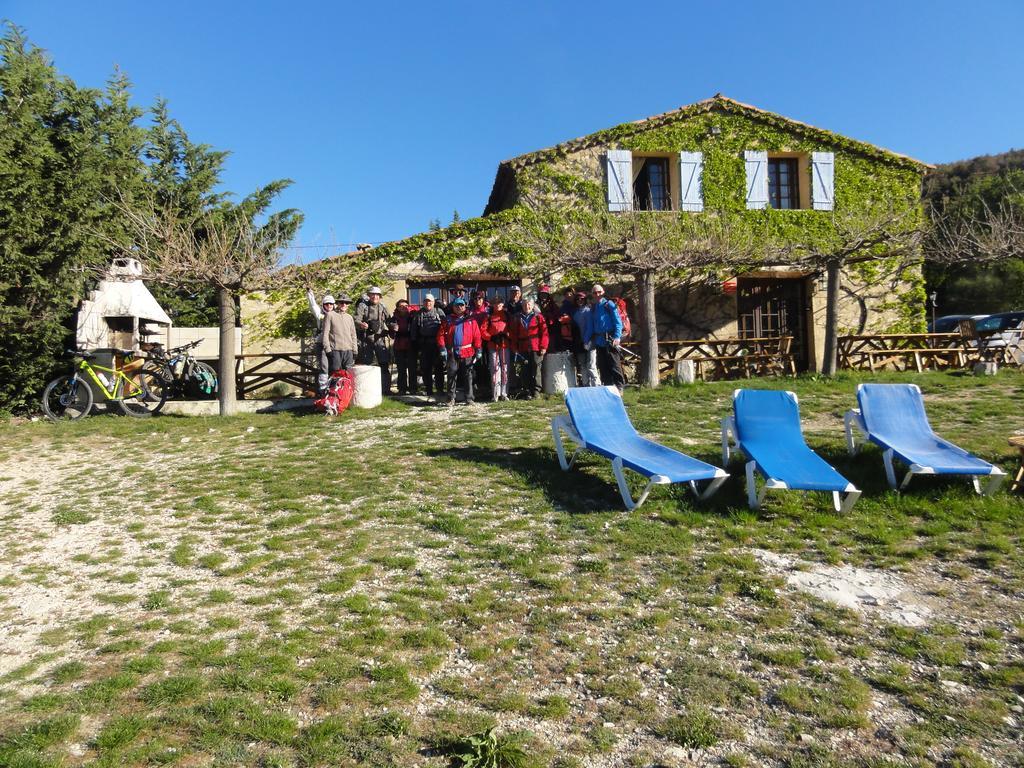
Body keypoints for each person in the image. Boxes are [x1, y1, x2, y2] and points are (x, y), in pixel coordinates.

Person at [438, 297, 482, 405]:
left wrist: (478, 349)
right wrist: (442, 348)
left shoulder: (471, 320)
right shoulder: (447, 320)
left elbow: (477, 336)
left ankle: (469, 398)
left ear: (464, 307)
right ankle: (450, 398)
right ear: (453, 307)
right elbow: (440, 335)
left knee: (468, 375)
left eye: (461, 305)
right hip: (452, 352)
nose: (459, 307)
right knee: (451, 375)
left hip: (467, 351)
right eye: (457, 305)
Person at [354, 286, 393, 394]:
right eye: (372, 294)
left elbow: (389, 320)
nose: (375, 296)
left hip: (379, 338)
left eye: (377, 295)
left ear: (380, 297)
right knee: (365, 364)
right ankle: (366, 390)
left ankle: (386, 390)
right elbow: (356, 319)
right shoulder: (363, 306)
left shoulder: (382, 306)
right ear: (369, 295)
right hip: (365, 338)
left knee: (384, 364)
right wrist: (361, 324)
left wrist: (393, 326)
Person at [587, 283, 625, 391]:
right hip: (599, 341)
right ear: (592, 294)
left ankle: (619, 387)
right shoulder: (593, 308)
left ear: (603, 292)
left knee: (614, 364)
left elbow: (618, 322)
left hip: (610, 339)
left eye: (599, 292)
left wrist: (617, 337)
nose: (597, 294)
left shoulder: (609, 305)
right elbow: (591, 326)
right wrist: (587, 340)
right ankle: (608, 388)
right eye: (595, 293)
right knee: (603, 366)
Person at [510, 295, 548, 399]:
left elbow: (544, 333)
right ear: (522, 305)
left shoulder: (538, 317)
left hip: (536, 347)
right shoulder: (517, 317)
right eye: (524, 304)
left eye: (529, 304)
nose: (527, 306)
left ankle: (536, 391)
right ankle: (528, 391)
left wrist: (543, 346)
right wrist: (514, 347)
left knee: (536, 369)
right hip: (523, 347)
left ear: (532, 305)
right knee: (524, 370)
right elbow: (514, 334)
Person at [410, 293, 446, 397]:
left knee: (439, 368)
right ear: (423, 303)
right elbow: (414, 330)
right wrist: (415, 344)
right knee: (426, 368)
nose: (428, 303)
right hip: (424, 345)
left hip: (438, 344)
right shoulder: (418, 314)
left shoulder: (439, 312)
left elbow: (445, 327)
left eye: (430, 301)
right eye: (426, 301)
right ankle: (429, 389)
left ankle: (440, 389)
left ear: (433, 302)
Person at [306, 290, 339, 393]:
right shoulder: (320, 315)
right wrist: (310, 294)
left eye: (331, 304)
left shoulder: (337, 315)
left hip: (334, 345)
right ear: (323, 305)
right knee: (324, 367)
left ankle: (335, 390)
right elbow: (313, 306)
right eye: (326, 304)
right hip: (322, 344)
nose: (329, 306)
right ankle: (323, 391)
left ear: (334, 305)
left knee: (335, 368)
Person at [481, 295, 511, 401]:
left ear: (503, 304)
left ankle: (504, 393)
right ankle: (495, 394)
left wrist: (507, 335)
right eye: (495, 303)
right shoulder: (489, 316)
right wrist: (491, 337)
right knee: (494, 369)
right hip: (493, 346)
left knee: (505, 368)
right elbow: (483, 330)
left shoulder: (507, 315)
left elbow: (512, 329)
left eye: (500, 303)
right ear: (493, 305)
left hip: (505, 345)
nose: (498, 305)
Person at [320, 294, 357, 376]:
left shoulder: (349, 317)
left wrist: (355, 350)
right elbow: (325, 334)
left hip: (348, 351)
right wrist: (328, 350)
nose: (344, 304)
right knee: (335, 375)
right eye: (341, 302)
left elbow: (353, 335)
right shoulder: (330, 315)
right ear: (337, 303)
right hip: (335, 351)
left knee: (348, 375)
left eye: (346, 303)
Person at [571, 290, 599, 386]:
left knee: (591, 365)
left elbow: (590, 327)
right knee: (582, 365)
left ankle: (596, 384)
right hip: (579, 343)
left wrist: (586, 340)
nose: (580, 301)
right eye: (577, 299)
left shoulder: (588, 311)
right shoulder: (575, 313)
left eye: (582, 299)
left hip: (590, 341)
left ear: (585, 299)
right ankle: (586, 384)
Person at [391, 299, 416, 394]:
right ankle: (402, 389)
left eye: (405, 306)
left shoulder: (412, 316)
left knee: (412, 368)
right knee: (401, 369)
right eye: (401, 306)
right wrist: (393, 330)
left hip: (411, 345)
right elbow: (391, 335)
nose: (404, 308)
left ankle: (413, 389)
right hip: (398, 345)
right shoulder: (394, 318)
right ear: (397, 308)